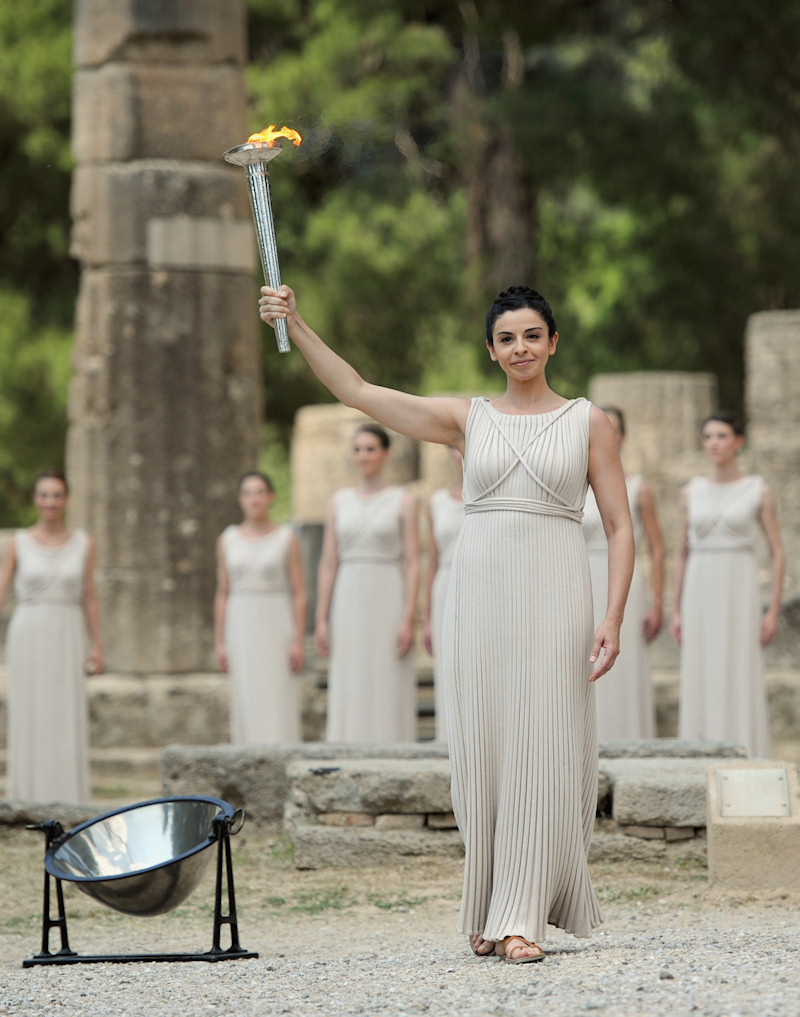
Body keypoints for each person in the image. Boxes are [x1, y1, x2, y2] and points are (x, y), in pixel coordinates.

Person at [259, 281, 633, 963]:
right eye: (506, 338)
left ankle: (524, 914)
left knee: (545, 743)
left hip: (556, 589)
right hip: (479, 593)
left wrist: (612, 613)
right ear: (491, 350)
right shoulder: (469, 418)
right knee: (482, 748)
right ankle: (492, 902)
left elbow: (619, 524)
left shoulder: (589, 421)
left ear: (553, 341)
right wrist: (297, 321)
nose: (520, 347)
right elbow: (360, 391)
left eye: (531, 335)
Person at [671, 412, 783, 758]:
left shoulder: (758, 490)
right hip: (699, 590)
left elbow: (778, 553)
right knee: (700, 668)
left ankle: (745, 753)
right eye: (708, 437)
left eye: (721, 436)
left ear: (738, 442)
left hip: (739, 588)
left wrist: (773, 610)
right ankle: (699, 754)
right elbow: (681, 553)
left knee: (739, 665)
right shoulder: (691, 491)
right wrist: (674, 609)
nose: (713, 443)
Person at [0, 471, 103, 803]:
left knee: (64, 709)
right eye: (44, 495)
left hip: (69, 631)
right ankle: (27, 794)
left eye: (57, 495)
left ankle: (67, 795)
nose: (50, 502)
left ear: (67, 499)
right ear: (35, 499)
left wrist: (97, 644)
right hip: (28, 631)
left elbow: (89, 596)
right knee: (30, 707)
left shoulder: (84, 542)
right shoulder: (18, 542)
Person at [315, 423, 420, 742]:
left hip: (387, 591)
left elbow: (413, 562)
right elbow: (329, 562)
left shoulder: (404, 500)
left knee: (387, 670)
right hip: (348, 594)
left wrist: (408, 617)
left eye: (371, 449)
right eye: (358, 449)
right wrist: (321, 618)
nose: (363, 455)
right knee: (350, 671)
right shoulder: (338, 502)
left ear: (385, 454)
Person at [582, 406, 664, 741]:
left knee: (625, 666)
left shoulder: (638, 488)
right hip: (584, 579)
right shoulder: (577, 487)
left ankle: (630, 740)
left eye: (613, 429)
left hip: (624, 584)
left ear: (623, 437)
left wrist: (657, 603)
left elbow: (657, 549)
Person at [215, 472, 306, 743]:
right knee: (246, 693)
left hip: (276, 621)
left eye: (259, 492)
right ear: (240, 499)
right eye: (248, 493)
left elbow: (299, 592)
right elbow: (223, 592)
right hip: (240, 622)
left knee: (277, 692)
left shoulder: (287, 538)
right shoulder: (227, 539)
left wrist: (298, 641)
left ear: (271, 497)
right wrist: (219, 641)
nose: (254, 499)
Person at [422, 448, 464, 742]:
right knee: (447, 667)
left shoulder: (497, 497)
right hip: (445, 586)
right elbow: (432, 561)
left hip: (483, 582)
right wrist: (425, 618)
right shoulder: (436, 502)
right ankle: (448, 739)